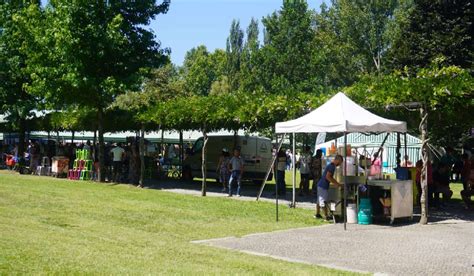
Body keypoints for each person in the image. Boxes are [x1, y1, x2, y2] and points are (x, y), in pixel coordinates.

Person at [315, 155, 343, 221]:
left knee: (319, 201)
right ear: (337, 160)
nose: (340, 164)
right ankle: (326, 216)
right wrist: (336, 184)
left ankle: (317, 214)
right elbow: (328, 177)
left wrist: (336, 183)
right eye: (340, 162)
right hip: (323, 186)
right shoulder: (332, 167)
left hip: (320, 185)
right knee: (323, 202)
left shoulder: (331, 165)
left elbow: (329, 177)